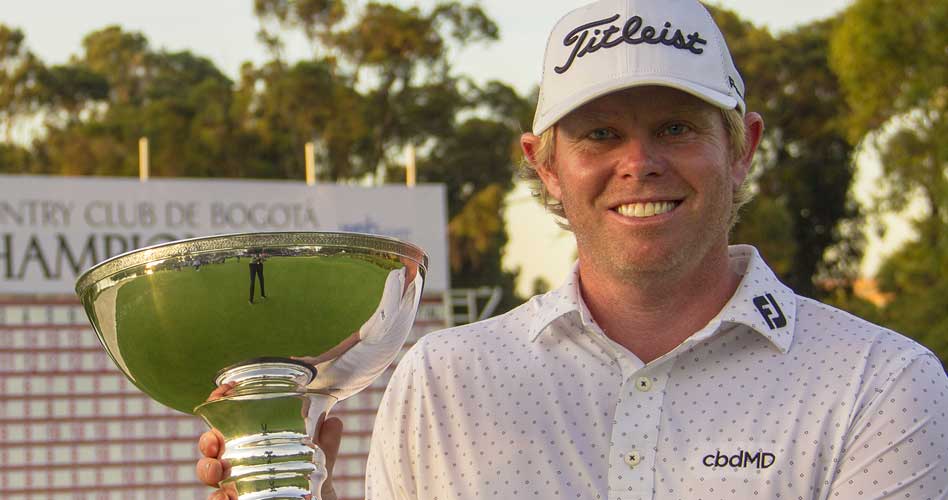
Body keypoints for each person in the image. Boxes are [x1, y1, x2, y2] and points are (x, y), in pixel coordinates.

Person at [198, 0, 948, 498]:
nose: (640, 162)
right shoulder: (443, 384)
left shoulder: (877, 384)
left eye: (678, 128)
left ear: (743, 147)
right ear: (545, 165)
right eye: (600, 134)